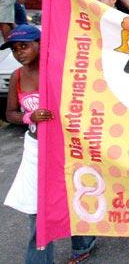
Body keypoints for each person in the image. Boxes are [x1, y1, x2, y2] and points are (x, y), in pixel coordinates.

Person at [3, 25, 97, 264]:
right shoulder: (17, 76)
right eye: (14, 49)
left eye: (24, 46)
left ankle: (84, 242)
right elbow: (10, 113)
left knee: (71, 196)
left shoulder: (59, 69)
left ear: (40, 44)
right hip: (35, 150)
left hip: (65, 148)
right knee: (37, 208)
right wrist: (29, 117)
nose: (19, 53)